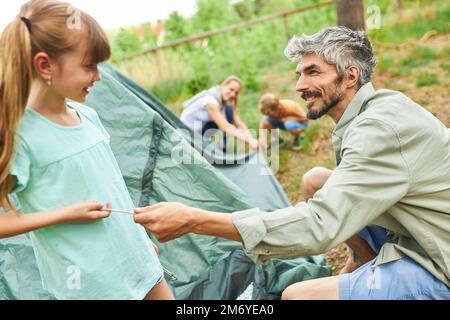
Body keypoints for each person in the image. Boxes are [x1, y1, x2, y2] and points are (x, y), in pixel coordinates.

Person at [133, 26, 450, 300]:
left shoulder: (378, 129)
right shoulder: (377, 107)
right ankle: (365, 262)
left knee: (297, 295)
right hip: (421, 228)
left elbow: (318, 226)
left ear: (350, 75)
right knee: (315, 180)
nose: (299, 86)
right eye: (299, 73)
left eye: (313, 72)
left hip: (439, 260)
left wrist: (194, 220)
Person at [0, 0, 173, 300]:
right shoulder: (20, 137)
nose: (98, 76)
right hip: (90, 287)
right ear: (45, 65)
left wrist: (139, 241)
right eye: (89, 66)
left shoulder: (88, 116)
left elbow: (112, 190)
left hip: (140, 265)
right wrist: (64, 214)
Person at [180, 76, 259, 150]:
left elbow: (238, 121)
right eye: (231, 89)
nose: (233, 94)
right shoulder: (210, 101)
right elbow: (225, 126)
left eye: (236, 93)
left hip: (198, 132)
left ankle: (220, 148)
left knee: (228, 111)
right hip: (185, 133)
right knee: (222, 122)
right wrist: (249, 141)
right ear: (223, 85)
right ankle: (208, 149)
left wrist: (251, 138)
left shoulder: (223, 99)